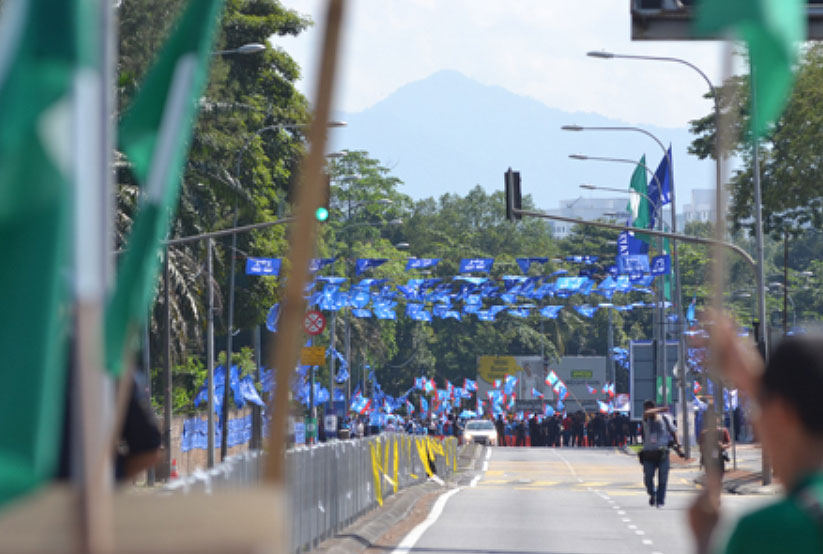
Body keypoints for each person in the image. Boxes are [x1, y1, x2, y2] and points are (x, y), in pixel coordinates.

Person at [689, 317, 823, 554]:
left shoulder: (768, 529)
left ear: (783, 414)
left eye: (760, 407)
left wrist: (704, 539)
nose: (753, 421)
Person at [641, 399, 680, 508]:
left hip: (662, 453)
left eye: (650, 408)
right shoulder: (646, 419)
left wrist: (678, 446)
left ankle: (660, 501)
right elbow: (646, 413)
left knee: (663, 478)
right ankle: (652, 493)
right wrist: (661, 409)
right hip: (649, 453)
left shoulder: (665, 418)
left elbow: (673, 431)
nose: (649, 411)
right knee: (648, 478)